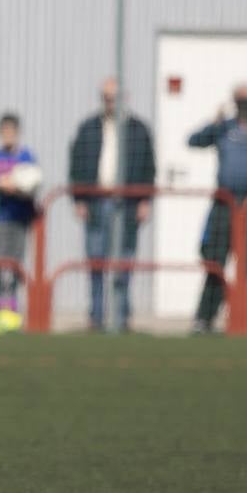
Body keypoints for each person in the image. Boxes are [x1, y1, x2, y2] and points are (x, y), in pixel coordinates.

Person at [188, 83, 247, 335]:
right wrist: (214, 121)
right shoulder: (224, 128)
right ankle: (204, 319)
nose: (244, 106)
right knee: (215, 260)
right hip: (226, 204)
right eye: (240, 101)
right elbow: (194, 141)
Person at [67, 77, 155, 333]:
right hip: (97, 202)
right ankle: (96, 317)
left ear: (124, 99)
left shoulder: (139, 130)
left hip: (127, 203)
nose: (110, 103)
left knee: (125, 262)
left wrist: (144, 200)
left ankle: (122, 316)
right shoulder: (88, 128)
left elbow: (149, 168)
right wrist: (79, 198)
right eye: (106, 98)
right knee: (96, 261)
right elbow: (77, 164)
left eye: (114, 98)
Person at [0, 114, 38, 334]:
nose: (8, 136)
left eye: (12, 132)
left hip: (21, 217)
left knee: (16, 265)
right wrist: (7, 183)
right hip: (2, 217)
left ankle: (12, 312)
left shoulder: (26, 156)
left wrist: (17, 184)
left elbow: (33, 180)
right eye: (4, 132)